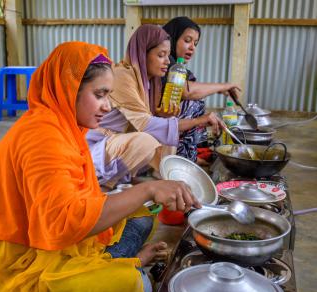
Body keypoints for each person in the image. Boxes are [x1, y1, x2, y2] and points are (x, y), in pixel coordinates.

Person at [0, 41, 199, 292]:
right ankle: (122, 266)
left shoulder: (66, 127)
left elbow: (80, 202)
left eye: (108, 96)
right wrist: (148, 190)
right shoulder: (41, 137)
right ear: (68, 88)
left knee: (140, 219)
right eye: (99, 95)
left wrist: (145, 197)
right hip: (16, 265)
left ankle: (116, 262)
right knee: (135, 289)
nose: (108, 106)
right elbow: (64, 224)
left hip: (53, 242)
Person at [86, 24, 224, 188]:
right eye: (161, 55)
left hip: (117, 144)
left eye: (167, 55)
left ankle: (162, 180)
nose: (167, 61)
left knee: (166, 133)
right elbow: (145, 124)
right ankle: (105, 185)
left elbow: (154, 124)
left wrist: (164, 117)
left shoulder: (151, 83)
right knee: (146, 140)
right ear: (143, 54)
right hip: (96, 148)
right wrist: (199, 121)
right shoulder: (122, 75)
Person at [162, 16, 242, 163]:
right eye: (187, 40)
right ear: (172, 38)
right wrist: (223, 86)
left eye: (195, 43)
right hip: (155, 124)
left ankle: (188, 154)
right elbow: (186, 92)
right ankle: (180, 156)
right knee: (193, 101)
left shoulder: (173, 63)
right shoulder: (164, 61)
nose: (192, 47)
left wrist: (217, 91)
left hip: (165, 123)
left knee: (200, 105)